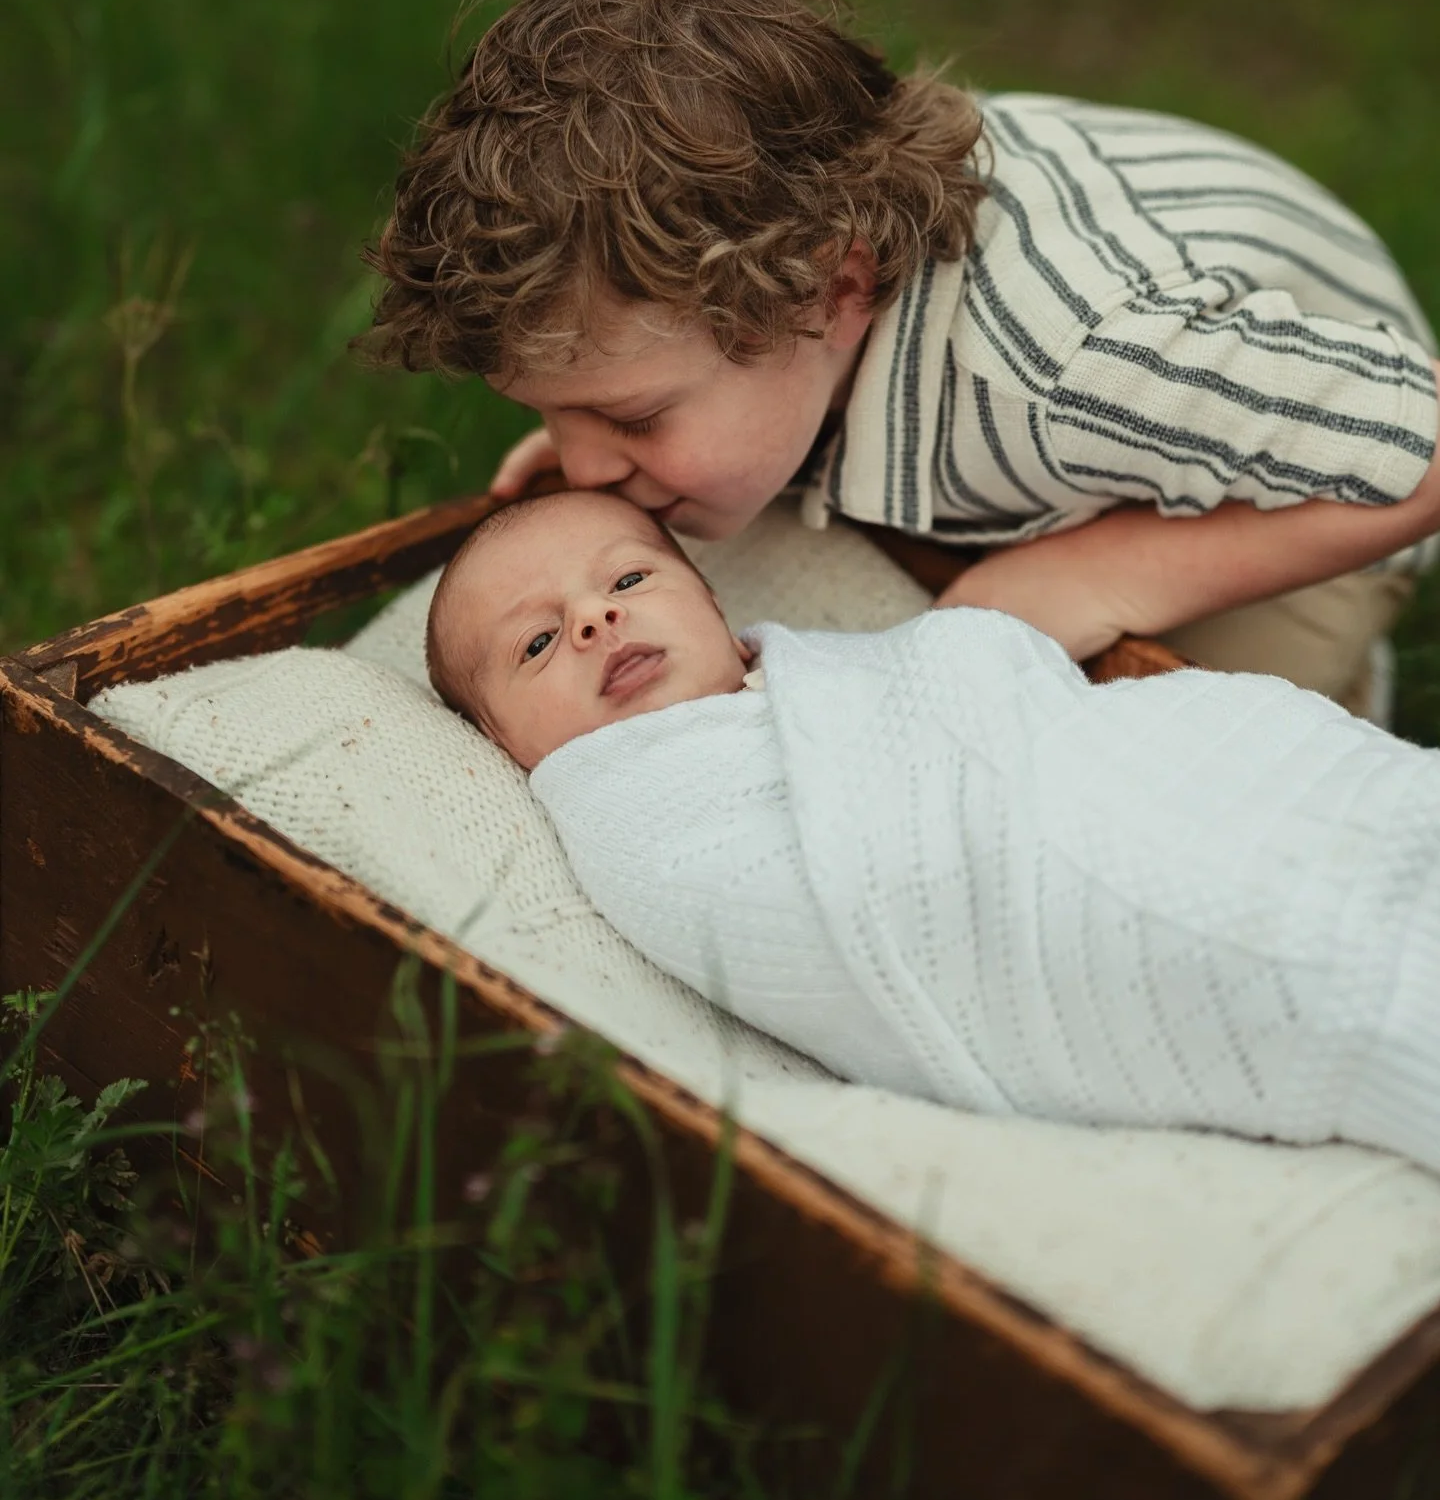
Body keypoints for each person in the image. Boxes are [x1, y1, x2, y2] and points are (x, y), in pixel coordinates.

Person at [363, 0, 1440, 719]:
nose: (586, 467)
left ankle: (1344, 676)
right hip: (1091, 392)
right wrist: (611, 427)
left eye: (633, 418)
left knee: (1185, 735)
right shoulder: (790, 311)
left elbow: (1423, 445)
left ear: (834, 290)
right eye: (561, 414)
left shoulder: (1069, 361)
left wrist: (1109, 573)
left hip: (1296, 456)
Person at [426, 487, 1440, 1173]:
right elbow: (819, 900)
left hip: (1111, 773)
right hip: (1029, 909)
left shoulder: (826, 680)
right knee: (1292, 945)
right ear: (508, 745)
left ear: (720, 617)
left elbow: (979, 683)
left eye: (629, 582)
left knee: (1315, 792)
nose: (596, 620)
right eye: (540, 641)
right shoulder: (639, 812)